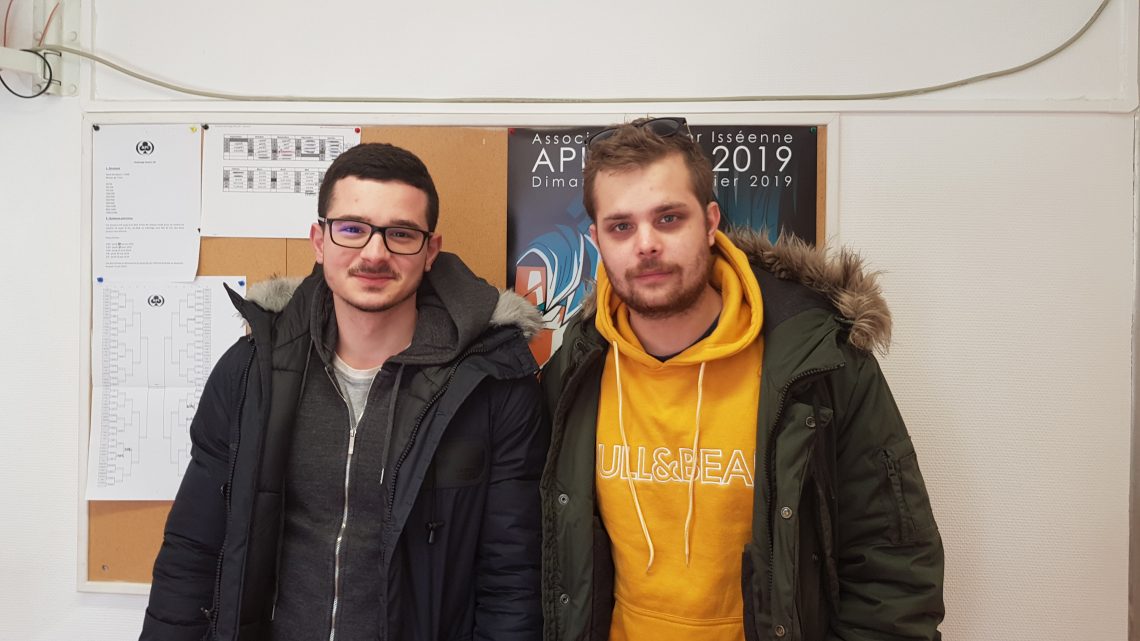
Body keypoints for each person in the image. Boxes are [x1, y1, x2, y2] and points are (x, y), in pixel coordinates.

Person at [539, 117, 944, 641]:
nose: (646, 244)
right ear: (596, 239)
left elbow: (892, 563)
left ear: (710, 223)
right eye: (621, 227)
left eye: (668, 218)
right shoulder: (576, 369)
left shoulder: (817, 361)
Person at [141, 142, 549, 641]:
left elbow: (511, 580)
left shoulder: (492, 386)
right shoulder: (250, 372)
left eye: (401, 234)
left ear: (430, 250)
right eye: (352, 229)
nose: (374, 254)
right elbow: (193, 549)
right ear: (319, 241)